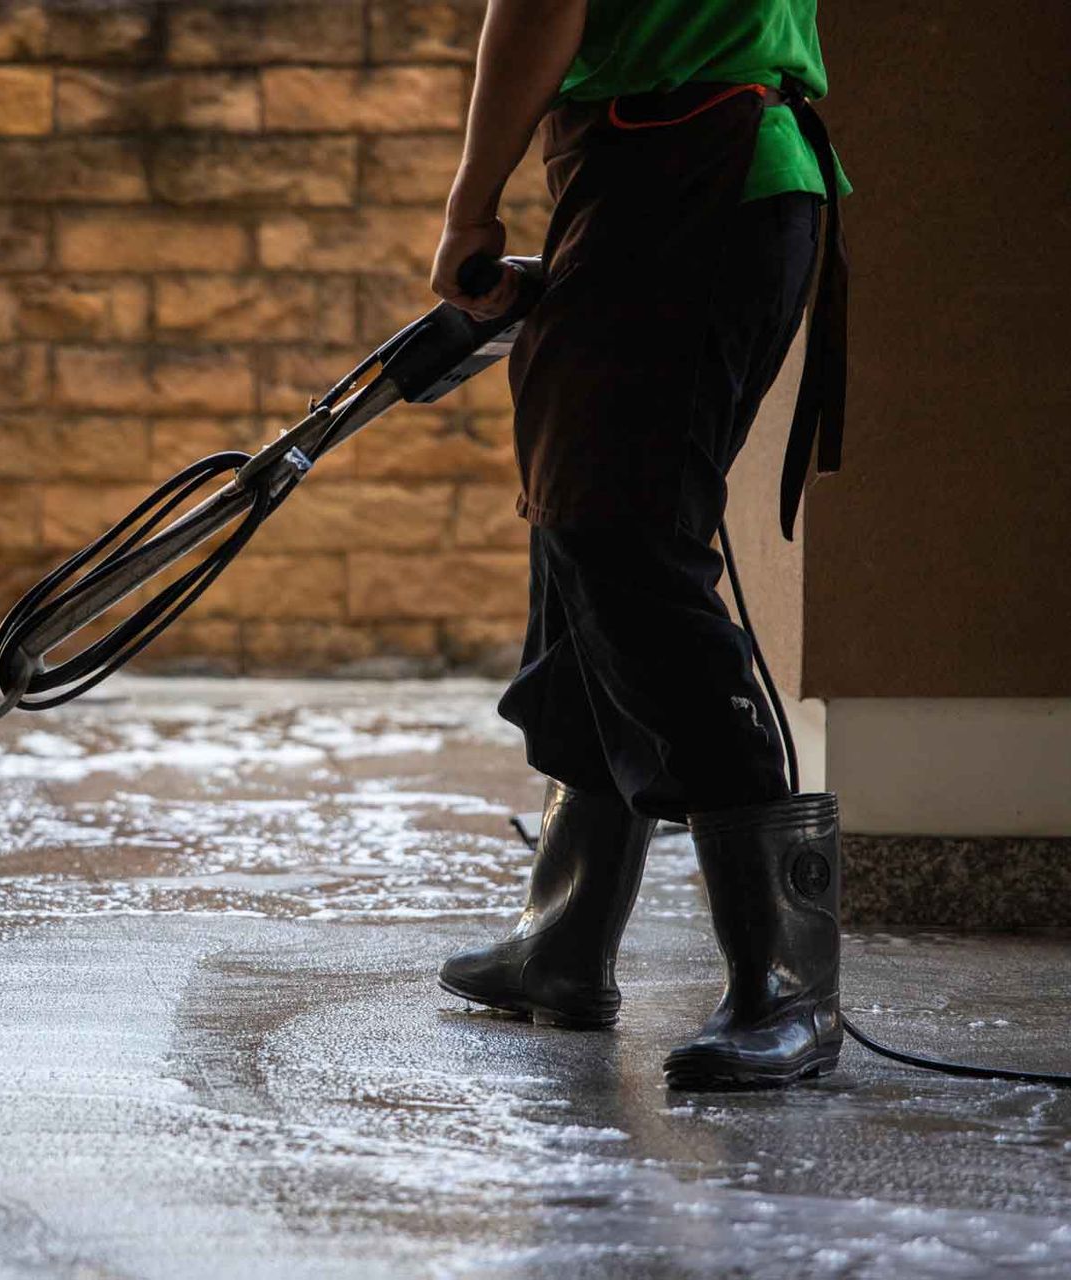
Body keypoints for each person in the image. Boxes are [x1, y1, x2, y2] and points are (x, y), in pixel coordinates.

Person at [427, 0, 850, 1089]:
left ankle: (788, 981)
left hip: (697, 172)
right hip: (666, 175)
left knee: (619, 537)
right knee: (580, 529)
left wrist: (469, 205)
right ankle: (564, 935)